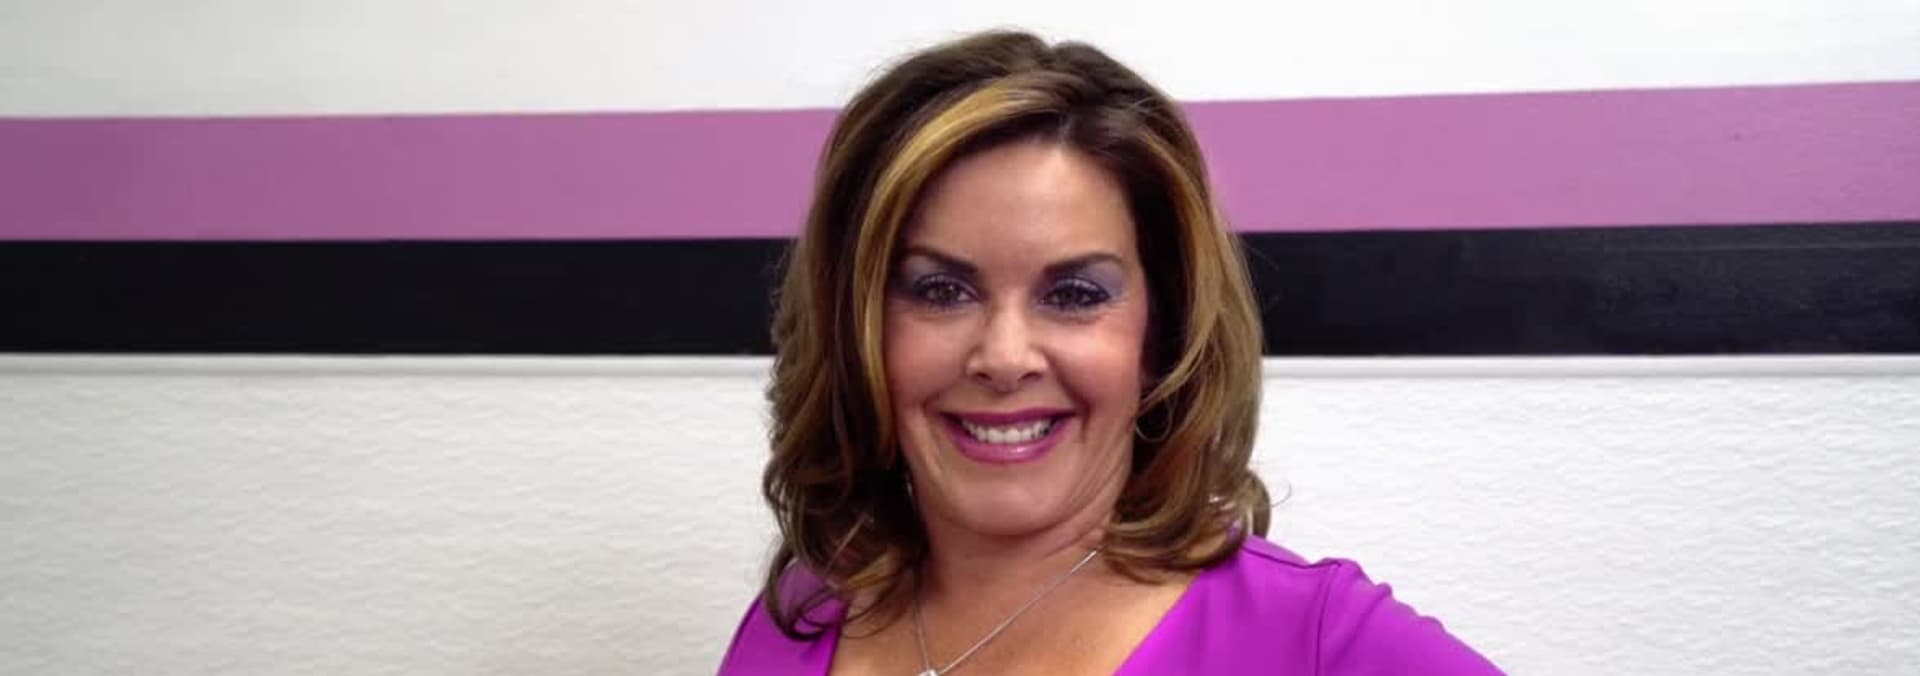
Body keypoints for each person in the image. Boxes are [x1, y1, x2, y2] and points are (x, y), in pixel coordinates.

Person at [718, 30, 1503, 675]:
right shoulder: (802, 616)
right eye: (941, 290)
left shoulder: (1318, 642)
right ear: (857, 328)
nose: (1005, 357)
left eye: (1074, 294)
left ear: (1162, 333)